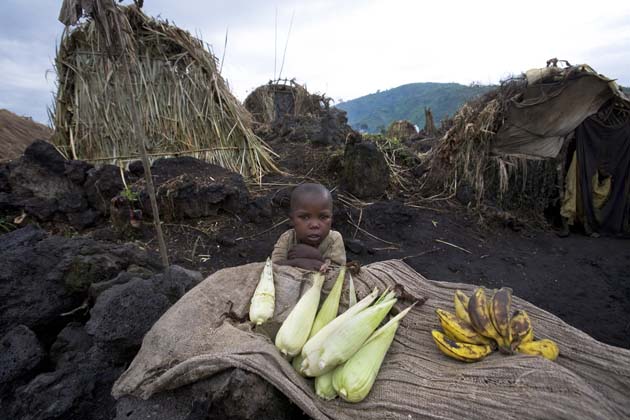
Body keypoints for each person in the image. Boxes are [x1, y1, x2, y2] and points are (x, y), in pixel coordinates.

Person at [271, 183, 346, 272]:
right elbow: (273, 266)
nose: (314, 225)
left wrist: (315, 256)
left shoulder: (334, 239)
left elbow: (339, 272)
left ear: (331, 219)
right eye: (305, 217)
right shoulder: (287, 238)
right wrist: (298, 262)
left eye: (323, 217)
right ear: (292, 220)